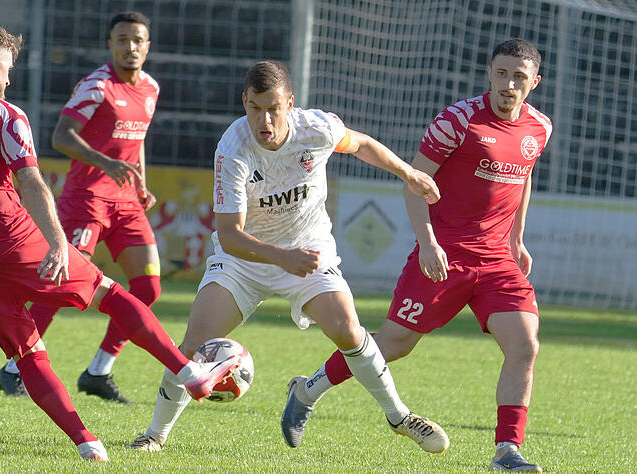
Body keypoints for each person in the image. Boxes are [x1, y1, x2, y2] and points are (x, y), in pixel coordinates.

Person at [0, 21, 239, 463]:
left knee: (27, 352)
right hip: (10, 240)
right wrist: (57, 242)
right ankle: (189, 373)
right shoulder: (5, 114)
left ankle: (88, 445)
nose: (10, 76)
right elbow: (32, 182)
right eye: (9, 66)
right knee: (111, 294)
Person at [127, 60, 450, 455]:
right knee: (193, 346)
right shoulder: (232, 149)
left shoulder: (316, 128)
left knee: (348, 331)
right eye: (255, 108)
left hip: (308, 249)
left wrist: (408, 174)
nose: (264, 120)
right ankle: (155, 435)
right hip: (245, 261)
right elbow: (229, 235)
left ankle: (399, 416)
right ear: (244, 102)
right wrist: (282, 258)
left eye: (273, 109)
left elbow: (360, 143)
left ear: (290, 104)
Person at [282, 39, 550, 472]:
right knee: (393, 344)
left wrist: (517, 239)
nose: (508, 84)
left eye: (519, 76)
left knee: (525, 345)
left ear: (534, 82)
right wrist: (427, 242)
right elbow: (415, 181)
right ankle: (307, 390)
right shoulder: (457, 120)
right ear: (489, 73)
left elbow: (525, 176)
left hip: (497, 260)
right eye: (501, 73)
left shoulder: (539, 127)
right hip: (444, 254)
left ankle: (507, 451)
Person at [0, 11, 160, 404]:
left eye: (137, 40)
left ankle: (99, 371)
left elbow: (136, 142)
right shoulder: (96, 86)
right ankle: (14, 368)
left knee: (148, 286)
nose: (130, 47)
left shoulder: (151, 88)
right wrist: (105, 163)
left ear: (147, 46)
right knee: (62, 285)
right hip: (87, 200)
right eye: (122, 40)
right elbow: (61, 136)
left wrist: (140, 182)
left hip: (126, 202)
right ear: (111, 44)